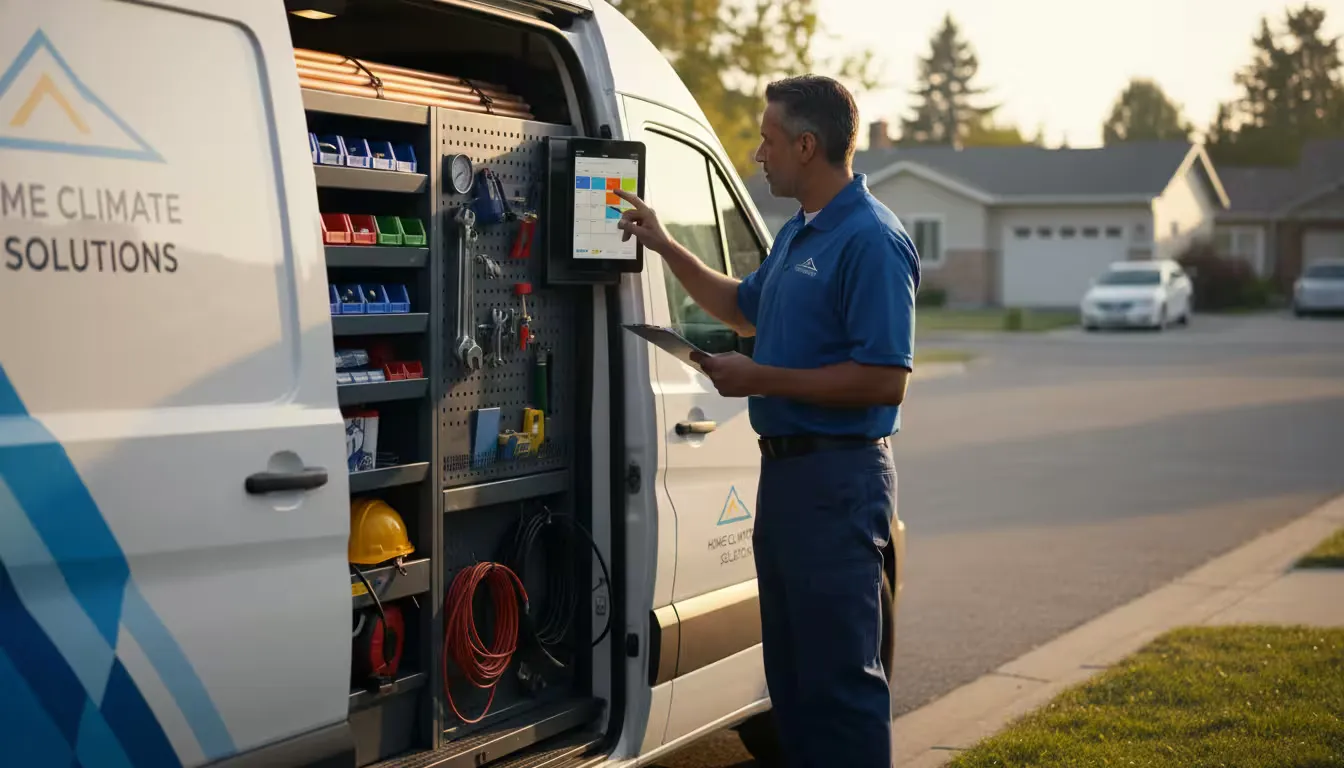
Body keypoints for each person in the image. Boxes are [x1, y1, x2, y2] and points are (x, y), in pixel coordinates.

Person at [615, 75, 920, 768]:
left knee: (839, 684)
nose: (759, 152)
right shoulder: (798, 235)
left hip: (839, 482)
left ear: (807, 146)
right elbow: (742, 308)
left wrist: (760, 378)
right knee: (791, 682)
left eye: (769, 138)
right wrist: (664, 244)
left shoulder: (871, 241)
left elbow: (885, 380)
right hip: (787, 481)